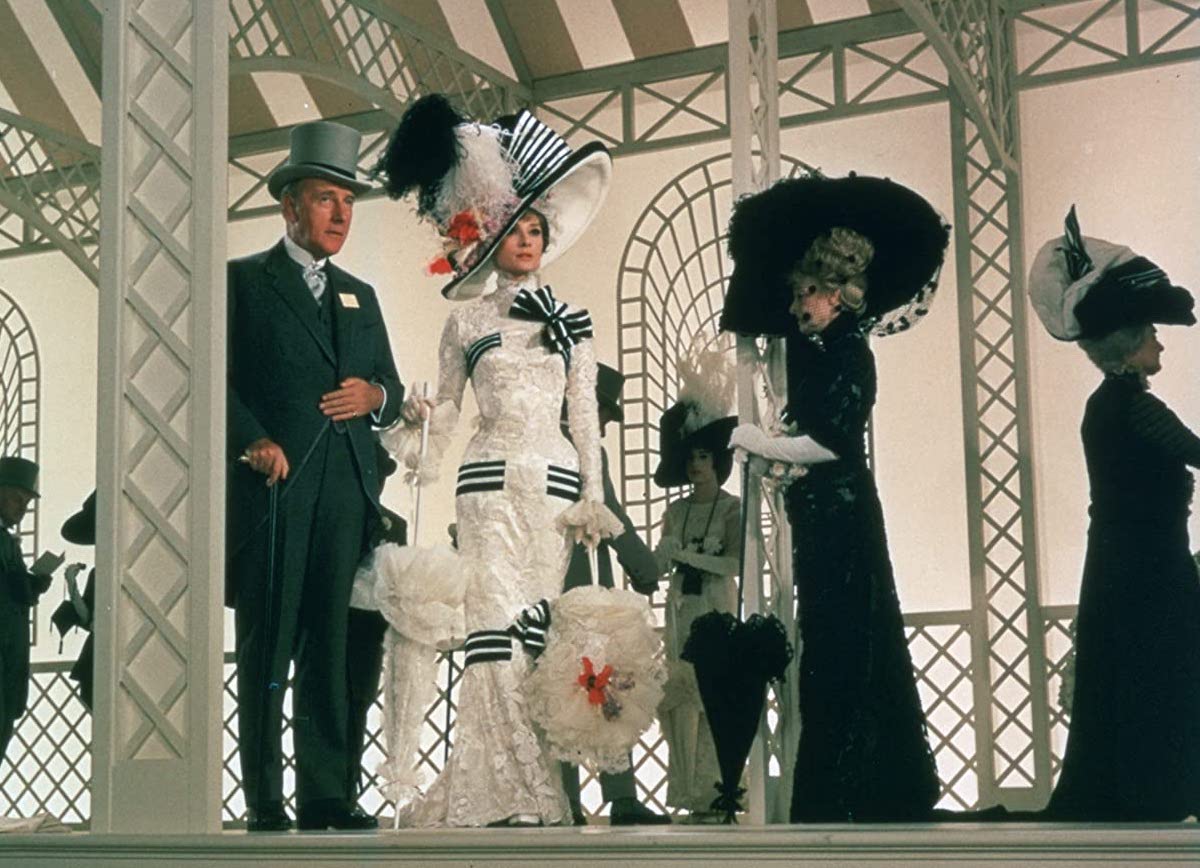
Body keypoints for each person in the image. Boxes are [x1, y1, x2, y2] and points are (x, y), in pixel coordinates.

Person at [372, 94, 618, 827]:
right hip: (484, 487)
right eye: (517, 230)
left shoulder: (571, 323)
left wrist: (594, 495)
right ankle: (501, 791)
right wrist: (421, 425)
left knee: (537, 629)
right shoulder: (466, 320)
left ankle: (534, 787)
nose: (529, 240)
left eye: (537, 230)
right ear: (493, 237)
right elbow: (449, 407)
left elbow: (585, 414)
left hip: (554, 487)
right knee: (489, 631)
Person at [722, 174, 948, 822]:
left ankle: (846, 794)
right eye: (796, 292)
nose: (798, 304)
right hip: (823, 516)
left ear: (837, 291)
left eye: (808, 293)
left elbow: (830, 442)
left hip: (844, 517)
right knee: (833, 643)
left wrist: (759, 441)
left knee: (844, 645)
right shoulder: (820, 351)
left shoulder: (850, 352)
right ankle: (848, 792)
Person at [226, 120, 403, 832]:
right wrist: (252, 439)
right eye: (326, 198)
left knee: (332, 644)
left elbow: (391, 386)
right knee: (268, 645)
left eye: (349, 202)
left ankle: (327, 794)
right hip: (274, 490)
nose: (340, 214)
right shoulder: (243, 283)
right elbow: (214, 379)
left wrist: (374, 396)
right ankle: (265, 799)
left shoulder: (360, 294)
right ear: (289, 206)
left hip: (344, 493)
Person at [1028, 207, 1200, 820]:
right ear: (1127, 344)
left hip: (1123, 565)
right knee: (1158, 674)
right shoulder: (1132, 406)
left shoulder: (1109, 404)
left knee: (1136, 677)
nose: (1159, 341)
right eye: (1150, 332)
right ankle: (1158, 794)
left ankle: (1149, 793)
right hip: (1147, 569)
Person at [559, 363, 668, 826]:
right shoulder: (585, 450)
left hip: (551, 584)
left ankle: (566, 802)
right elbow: (611, 513)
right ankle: (620, 798)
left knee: (561, 690)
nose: (603, 424)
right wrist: (644, 568)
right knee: (607, 685)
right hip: (585, 586)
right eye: (604, 413)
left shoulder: (539, 441)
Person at [651, 344, 741, 822]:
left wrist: (685, 555)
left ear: (717, 461)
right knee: (682, 700)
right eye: (690, 457)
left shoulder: (731, 509)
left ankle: (720, 792)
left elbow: (734, 565)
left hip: (717, 610)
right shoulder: (676, 510)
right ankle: (688, 792)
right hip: (681, 614)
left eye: (704, 456)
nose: (696, 465)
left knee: (716, 699)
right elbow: (661, 563)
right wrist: (659, 558)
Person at [0, 457, 56, 763]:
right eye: (17, 499)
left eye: (26, 503)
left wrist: (29, 586)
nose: (22, 509)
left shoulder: (7, 542)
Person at [51, 491, 97, 711]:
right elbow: (87, 616)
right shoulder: (97, 574)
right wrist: (72, 584)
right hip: (98, 647)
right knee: (92, 695)